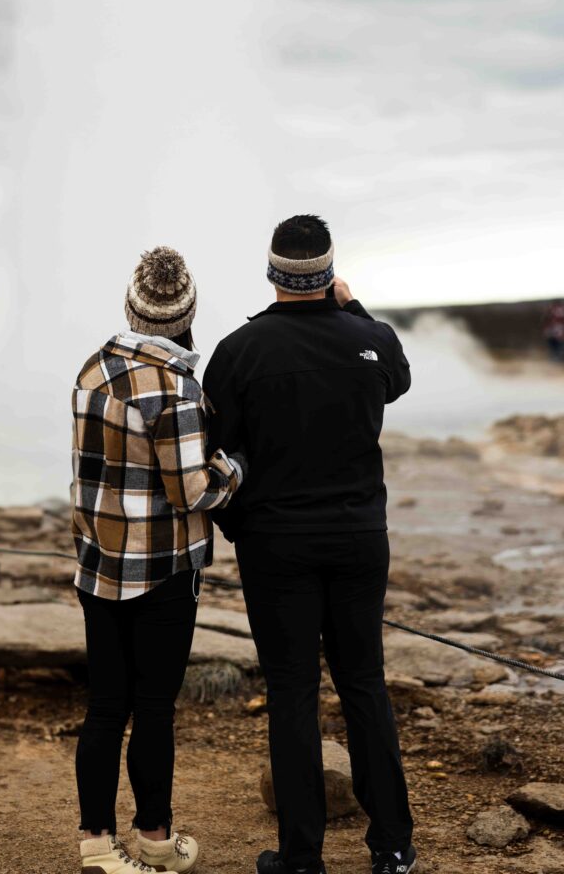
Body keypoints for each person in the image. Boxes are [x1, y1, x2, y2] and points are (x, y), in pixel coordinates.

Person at [203, 215, 416, 874]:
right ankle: (394, 849)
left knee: (293, 693)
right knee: (364, 686)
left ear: (273, 273)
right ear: (329, 272)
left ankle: (301, 860)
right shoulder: (371, 339)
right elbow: (399, 377)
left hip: (275, 547)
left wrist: (239, 528)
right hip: (359, 541)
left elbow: (211, 455)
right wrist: (354, 305)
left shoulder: (239, 351)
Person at [71, 246, 245, 874]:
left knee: (105, 707)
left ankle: (96, 843)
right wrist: (236, 468)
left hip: (97, 567)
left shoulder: (93, 369)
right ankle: (154, 841)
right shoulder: (175, 387)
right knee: (153, 708)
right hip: (164, 573)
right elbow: (192, 490)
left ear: (130, 307)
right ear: (188, 314)